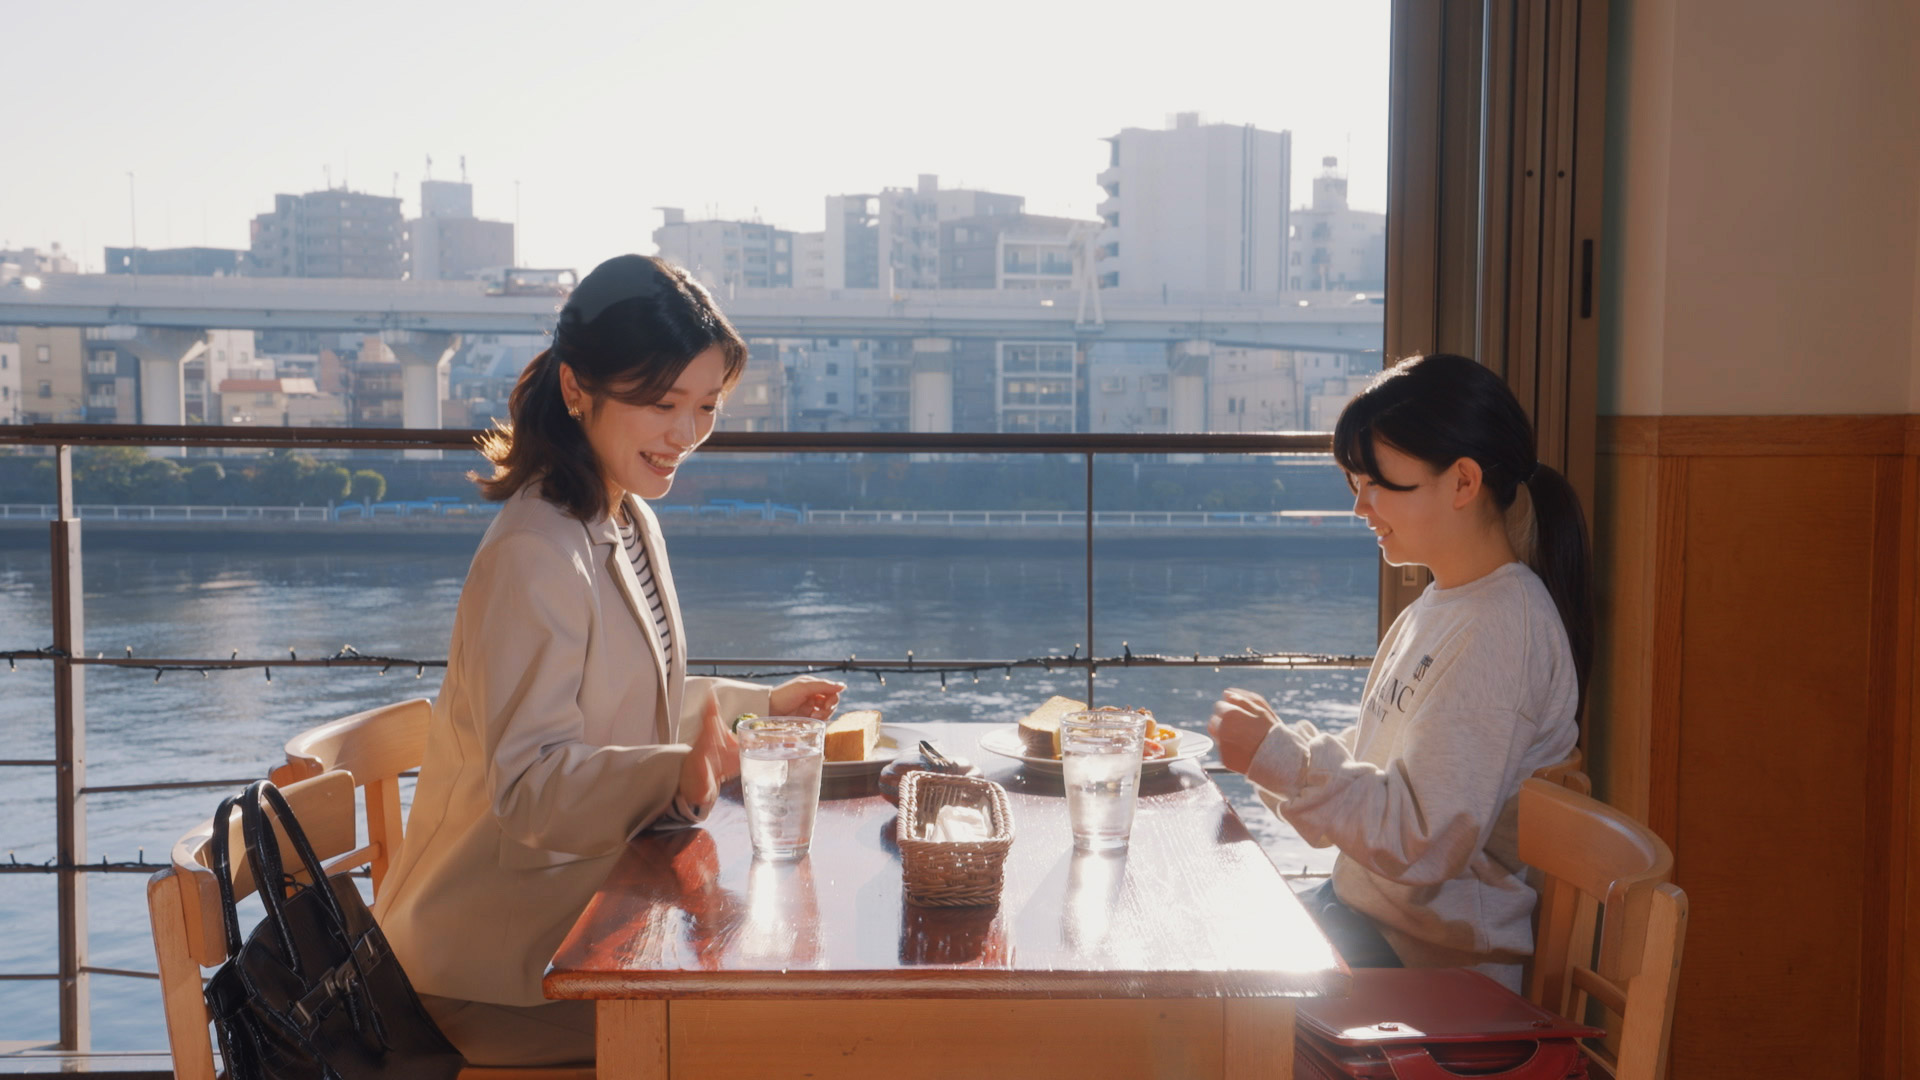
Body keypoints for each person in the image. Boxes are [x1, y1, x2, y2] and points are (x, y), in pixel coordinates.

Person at [374, 255, 844, 1066]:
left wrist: (763, 710)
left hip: (580, 927)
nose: (686, 434)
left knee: (785, 1008)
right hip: (489, 973)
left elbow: (635, 699)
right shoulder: (535, 550)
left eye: (704, 407)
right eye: (662, 404)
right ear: (576, 390)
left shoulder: (619, 516)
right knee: (772, 1035)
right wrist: (674, 772)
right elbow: (529, 789)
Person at [1208, 353, 1590, 991]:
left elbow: (1424, 841)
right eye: (1354, 483)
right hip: (1371, 925)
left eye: (1380, 483)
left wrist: (1278, 758)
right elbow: (1387, 791)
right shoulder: (1446, 604)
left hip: (1434, 969)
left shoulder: (1502, 628)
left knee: (1194, 1003)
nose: (1361, 506)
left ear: (1463, 483)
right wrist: (1278, 754)